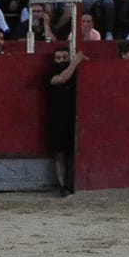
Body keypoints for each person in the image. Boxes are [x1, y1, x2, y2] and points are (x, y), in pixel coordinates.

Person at [45, 41, 79, 195]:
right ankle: (62, 185)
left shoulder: (76, 73)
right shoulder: (50, 73)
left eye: (65, 58)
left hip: (73, 117)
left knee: (71, 153)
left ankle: (70, 183)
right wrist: (74, 63)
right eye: (58, 58)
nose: (61, 61)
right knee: (60, 153)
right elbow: (60, 79)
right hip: (57, 118)